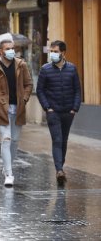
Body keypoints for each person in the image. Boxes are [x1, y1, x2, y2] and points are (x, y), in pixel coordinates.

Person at [0, 39, 33, 187]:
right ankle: (9, 174)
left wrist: (24, 99)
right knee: (6, 139)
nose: (11, 51)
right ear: (1, 51)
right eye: (8, 48)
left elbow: (28, 84)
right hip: (1, 109)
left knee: (15, 140)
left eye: (13, 48)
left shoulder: (21, 65)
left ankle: (6, 167)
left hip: (18, 108)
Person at [36, 40, 81, 185]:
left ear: (63, 53)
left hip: (68, 111)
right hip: (53, 111)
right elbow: (40, 90)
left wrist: (74, 108)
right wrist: (47, 107)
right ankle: (59, 170)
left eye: (55, 51)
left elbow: (77, 90)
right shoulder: (45, 69)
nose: (53, 54)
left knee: (64, 140)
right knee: (57, 139)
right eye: (51, 51)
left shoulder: (72, 69)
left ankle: (60, 167)